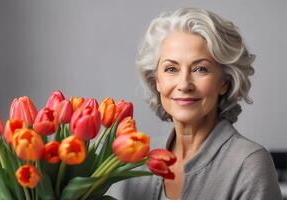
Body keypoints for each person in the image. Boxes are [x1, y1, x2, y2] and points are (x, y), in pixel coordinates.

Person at [107, 7, 282, 200]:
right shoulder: (134, 158)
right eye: (171, 68)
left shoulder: (249, 164)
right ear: (156, 80)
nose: (184, 85)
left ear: (224, 82)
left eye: (200, 69)